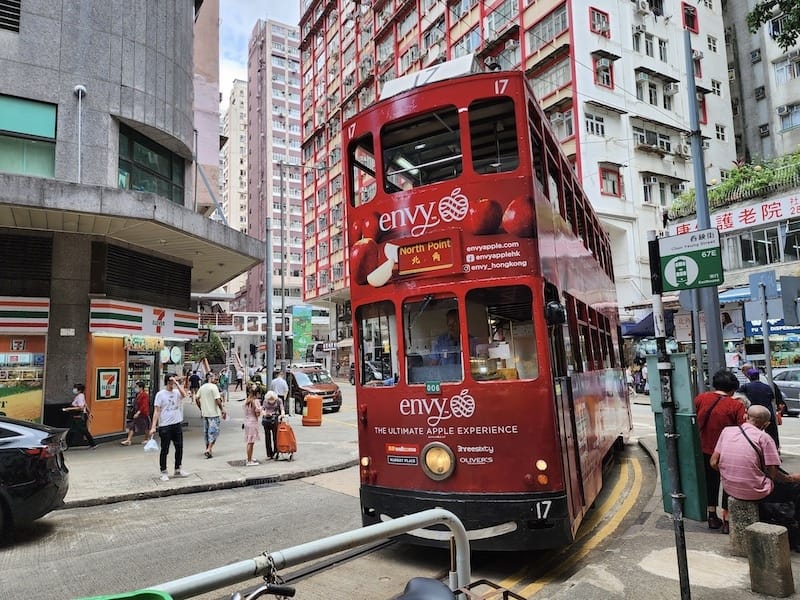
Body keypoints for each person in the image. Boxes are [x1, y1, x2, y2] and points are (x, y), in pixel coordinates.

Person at [711, 404, 800, 549]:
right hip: (756, 491)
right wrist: (792, 478)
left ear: (746, 416)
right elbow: (773, 474)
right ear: (766, 424)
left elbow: (714, 462)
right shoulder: (764, 438)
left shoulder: (726, 432)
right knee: (796, 488)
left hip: (730, 488)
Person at [694, 368, 746, 533]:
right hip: (727, 451)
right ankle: (727, 519)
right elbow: (742, 428)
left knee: (711, 482)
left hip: (705, 448)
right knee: (729, 483)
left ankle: (711, 515)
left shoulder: (701, 398)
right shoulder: (736, 405)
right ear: (732, 389)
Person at [149, 374, 190, 481]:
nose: (173, 384)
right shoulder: (160, 394)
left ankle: (178, 468)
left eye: (174, 382)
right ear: (167, 382)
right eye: (171, 382)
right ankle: (163, 471)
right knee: (165, 449)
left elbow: (184, 395)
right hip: (165, 426)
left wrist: (177, 383)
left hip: (176, 423)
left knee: (179, 447)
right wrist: (153, 426)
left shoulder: (176, 392)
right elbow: (157, 411)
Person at [739, 368, 780, 448]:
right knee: (772, 434)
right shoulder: (767, 387)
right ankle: (775, 448)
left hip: (754, 414)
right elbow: (772, 398)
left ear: (749, 377)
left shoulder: (746, 387)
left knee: (752, 433)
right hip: (768, 413)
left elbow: (739, 397)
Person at [196, 372, 225, 459]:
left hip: (205, 413)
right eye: (215, 378)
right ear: (210, 378)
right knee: (214, 432)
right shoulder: (214, 387)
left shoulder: (202, 387)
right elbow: (218, 400)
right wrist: (222, 409)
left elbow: (196, 398)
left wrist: (201, 408)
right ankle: (209, 449)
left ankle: (208, 449)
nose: (216, 380)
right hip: (214, 413)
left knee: (207, 432)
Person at [62, 383, 97, 449]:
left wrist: (68, 409)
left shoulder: (80, 396)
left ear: (79, 390)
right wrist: (89, 412)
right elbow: (85, 404)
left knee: (82, 430)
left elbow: (81, 407)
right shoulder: (80, 396)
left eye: (75, 388)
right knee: (73, 429)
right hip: (78, 415)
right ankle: (67, 445)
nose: (74, 390)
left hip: (78, 416)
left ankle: (93, 444)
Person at [121, 381, 150, 445]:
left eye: (136, 387)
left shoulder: (144, 395)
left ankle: (146, 439)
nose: (135, 388)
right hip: (137, 413)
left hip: (143, 414)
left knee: (146, 426)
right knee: (133, 426)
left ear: (141, 388)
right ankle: (128, 440)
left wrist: (138, 413)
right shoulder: (138, 394)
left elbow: (144, 405)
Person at [260, 390, 284, 460]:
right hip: (266, 419)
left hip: (275, 418)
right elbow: (262, 409)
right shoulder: (265, 400)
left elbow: (282, 408)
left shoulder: (279, 400)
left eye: (272, 399)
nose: (271, 401)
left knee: (275, 436)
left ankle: (276, 452)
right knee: (267, 437)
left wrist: (282, 414)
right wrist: (264, 413)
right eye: (269, 399)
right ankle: (269, 453)